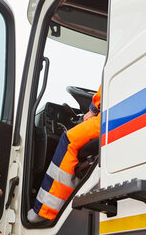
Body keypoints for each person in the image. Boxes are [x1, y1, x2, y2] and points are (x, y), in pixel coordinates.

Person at [28, 86, 102, 222]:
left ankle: (46, 210)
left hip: (109, 117)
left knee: (68, 140)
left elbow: (104, 90)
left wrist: (92, 109)